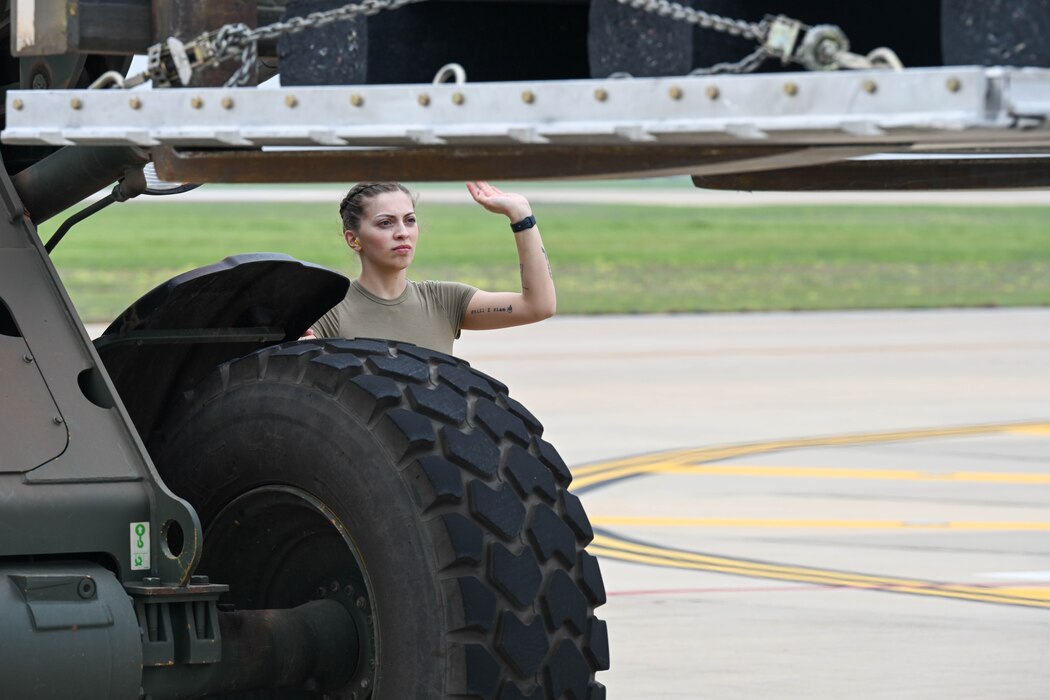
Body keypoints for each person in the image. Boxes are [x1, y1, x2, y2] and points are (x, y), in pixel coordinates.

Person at [307, 181, 555, 354]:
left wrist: (522, 216)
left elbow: (538, 306)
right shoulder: (330, 311)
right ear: (354, 239)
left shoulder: (445, 301)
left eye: (410, 220)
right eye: (385, 223)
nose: (403, 233)